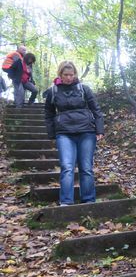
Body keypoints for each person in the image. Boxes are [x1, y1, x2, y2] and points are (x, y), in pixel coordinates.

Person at [44, 61, 104, 206]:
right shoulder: (53, 91)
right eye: (66, 75)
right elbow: (48, 113)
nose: (69, 78)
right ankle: (66, 202)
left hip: (86, 132)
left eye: (71, 74)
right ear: (60, 74)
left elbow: (96, 110)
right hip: (64, 133)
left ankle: (89, 200)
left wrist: (99, 129)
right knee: (67, 167)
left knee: (86, 168)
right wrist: (52, 133)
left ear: (75, 74)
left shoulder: (84, 89)